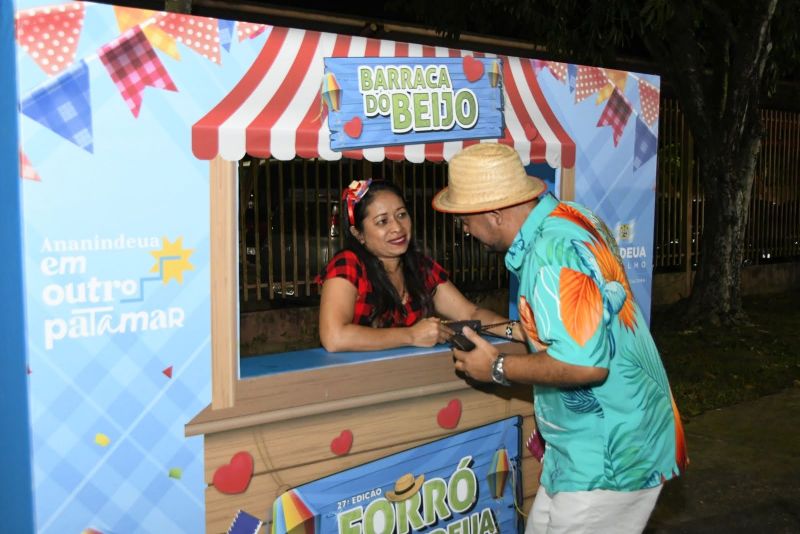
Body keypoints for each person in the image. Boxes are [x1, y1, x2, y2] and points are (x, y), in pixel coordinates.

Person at [432, 143, 688, 534]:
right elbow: (577, 325)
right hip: (583, 451)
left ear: (494, 214)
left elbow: (584, 365)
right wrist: (497, 326)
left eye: (464, 220)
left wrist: (496, 367)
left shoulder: (551, 254)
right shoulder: (570, 216)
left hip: (610, 455)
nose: (464, 230)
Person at [318, 178, 521, 352]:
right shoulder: (348, 264)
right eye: (382, 221)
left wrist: (517, 330)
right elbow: (334, 337)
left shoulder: (420, 266)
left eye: (401, 215)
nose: (397, 227)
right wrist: (411, 335)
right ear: (358, 234)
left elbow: (470, 313)